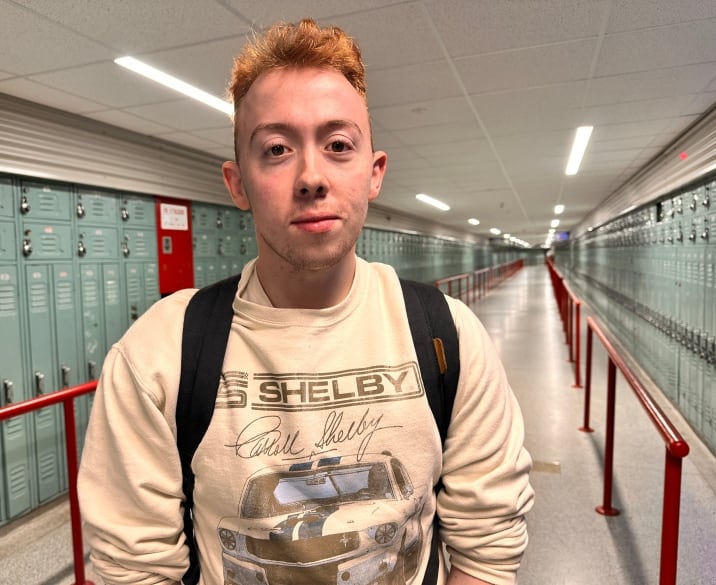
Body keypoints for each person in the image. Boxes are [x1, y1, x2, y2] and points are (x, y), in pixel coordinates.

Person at [78, 18, 534, 585]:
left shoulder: (448, 336)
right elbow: (134, 571)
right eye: (276, 149)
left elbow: (485, 550)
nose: (311, 176)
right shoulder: (159, 356)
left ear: (374, 173)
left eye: (338, 145)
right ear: (237, 182)